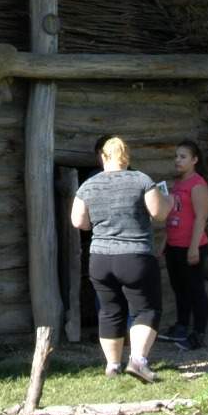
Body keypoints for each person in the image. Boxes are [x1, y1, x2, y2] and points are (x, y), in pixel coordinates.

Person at [71, 135, 172, 382]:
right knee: (145, 309)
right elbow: (159, 213)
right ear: (126, 157)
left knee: (109, 311)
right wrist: (169, 202)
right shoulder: (141, 180)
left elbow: (78, 221)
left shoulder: (88, 185)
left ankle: (112, 366)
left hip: (100, 258)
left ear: (103, 157)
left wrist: (98, 223)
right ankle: (138, 361)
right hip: (135, 256)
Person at [158, 140, 208, 351]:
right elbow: (173, 215)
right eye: (176, 156)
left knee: (195, 289)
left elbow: (201, 217)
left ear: (194, 160)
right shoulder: (178, 183)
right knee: (179, 288)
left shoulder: (197, 184)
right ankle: (181, 326)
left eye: (183, 157)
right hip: (174, 245)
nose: (177, 160)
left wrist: (194, 247)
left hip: (191, 245)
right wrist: (165, 242)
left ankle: (199, 333)